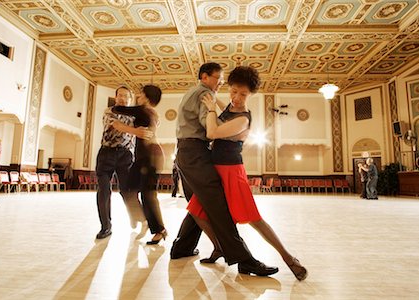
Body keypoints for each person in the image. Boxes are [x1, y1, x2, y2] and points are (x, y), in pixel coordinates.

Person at [186, 66, 307, 281]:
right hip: (214, 170)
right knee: (196, 211)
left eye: (243, 94)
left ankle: (289, 259)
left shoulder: (243, 118)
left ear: (250, 94)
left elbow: (213, 132)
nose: (237, 97)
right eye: (233, 91)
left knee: (254, 219)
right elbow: (225, 110)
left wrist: (212, 107)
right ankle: (220, 248)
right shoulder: (229, 109)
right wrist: (217, 101)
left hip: (232, 172)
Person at [171, 62, 278, 276]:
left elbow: (221, 116)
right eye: (218, 78)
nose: (221, 82)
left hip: (189, 153)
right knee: (218, 208)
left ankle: (181, 248)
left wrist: (227, 110)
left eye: (222, 79)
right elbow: (211, 128)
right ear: (204, 77)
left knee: (199, 205)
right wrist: (222, 119)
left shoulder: (197, 92)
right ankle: (245, 260)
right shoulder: (205, 95)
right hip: (195, 153)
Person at [111, 85, 167, 245]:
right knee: (127, 189)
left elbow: (117, 109)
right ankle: (143, 220)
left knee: (148, 195)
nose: (138, 96)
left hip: (150, 157)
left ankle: (159, 230)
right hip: (143, 157)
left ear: (147, 98)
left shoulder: (142, 110)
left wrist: (122, 125)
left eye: (141, 94)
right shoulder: (152, 113)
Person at [95, 86, 152, 239]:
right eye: (120, 95)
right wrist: (136, 132)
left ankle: (138, 217)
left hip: (125, 156)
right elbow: (116, 125)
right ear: (116, 96)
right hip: (106, 154)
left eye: (126, 96)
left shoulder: (134, 115)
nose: (123, 98)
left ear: (130, 99)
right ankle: (105, 227)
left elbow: (148, 124)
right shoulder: (109, 111)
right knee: (104, 190)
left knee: (127, 190)